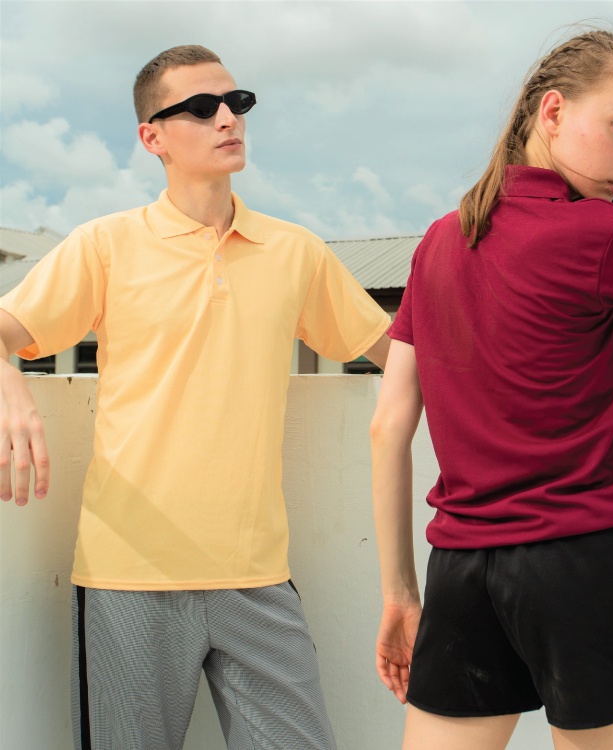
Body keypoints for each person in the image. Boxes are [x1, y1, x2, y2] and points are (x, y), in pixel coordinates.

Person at [0, 45, 391, 750]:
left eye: (236, 103)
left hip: (258, 575)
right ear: (152, 137)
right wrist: (12, 390)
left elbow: (403, 351)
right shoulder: (105, 245)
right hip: (128, 575)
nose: (227, 119)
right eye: (202, 108)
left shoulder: (295, 251)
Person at [370, 29, 613, 750]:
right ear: (551, 111)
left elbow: (388, 426)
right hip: (591, 557)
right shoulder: (602, 235)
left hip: (462, 569)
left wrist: (399, 594)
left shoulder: (439, 241)